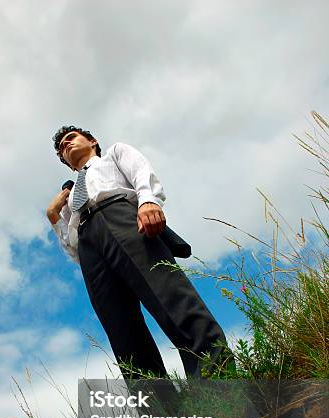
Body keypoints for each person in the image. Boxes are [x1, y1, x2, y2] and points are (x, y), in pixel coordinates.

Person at [46, 125, 233, 388]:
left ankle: (221, 388)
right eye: (61, 148)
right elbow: (74, 249)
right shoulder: (68, 200)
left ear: (92, 141)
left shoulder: (113, 154)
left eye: (71, 138)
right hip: (89, 243)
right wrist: (55, 217)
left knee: (170, 297)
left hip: (122, 217)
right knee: (122, 333)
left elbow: (141, 172)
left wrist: (148, 201)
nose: (65, 145)